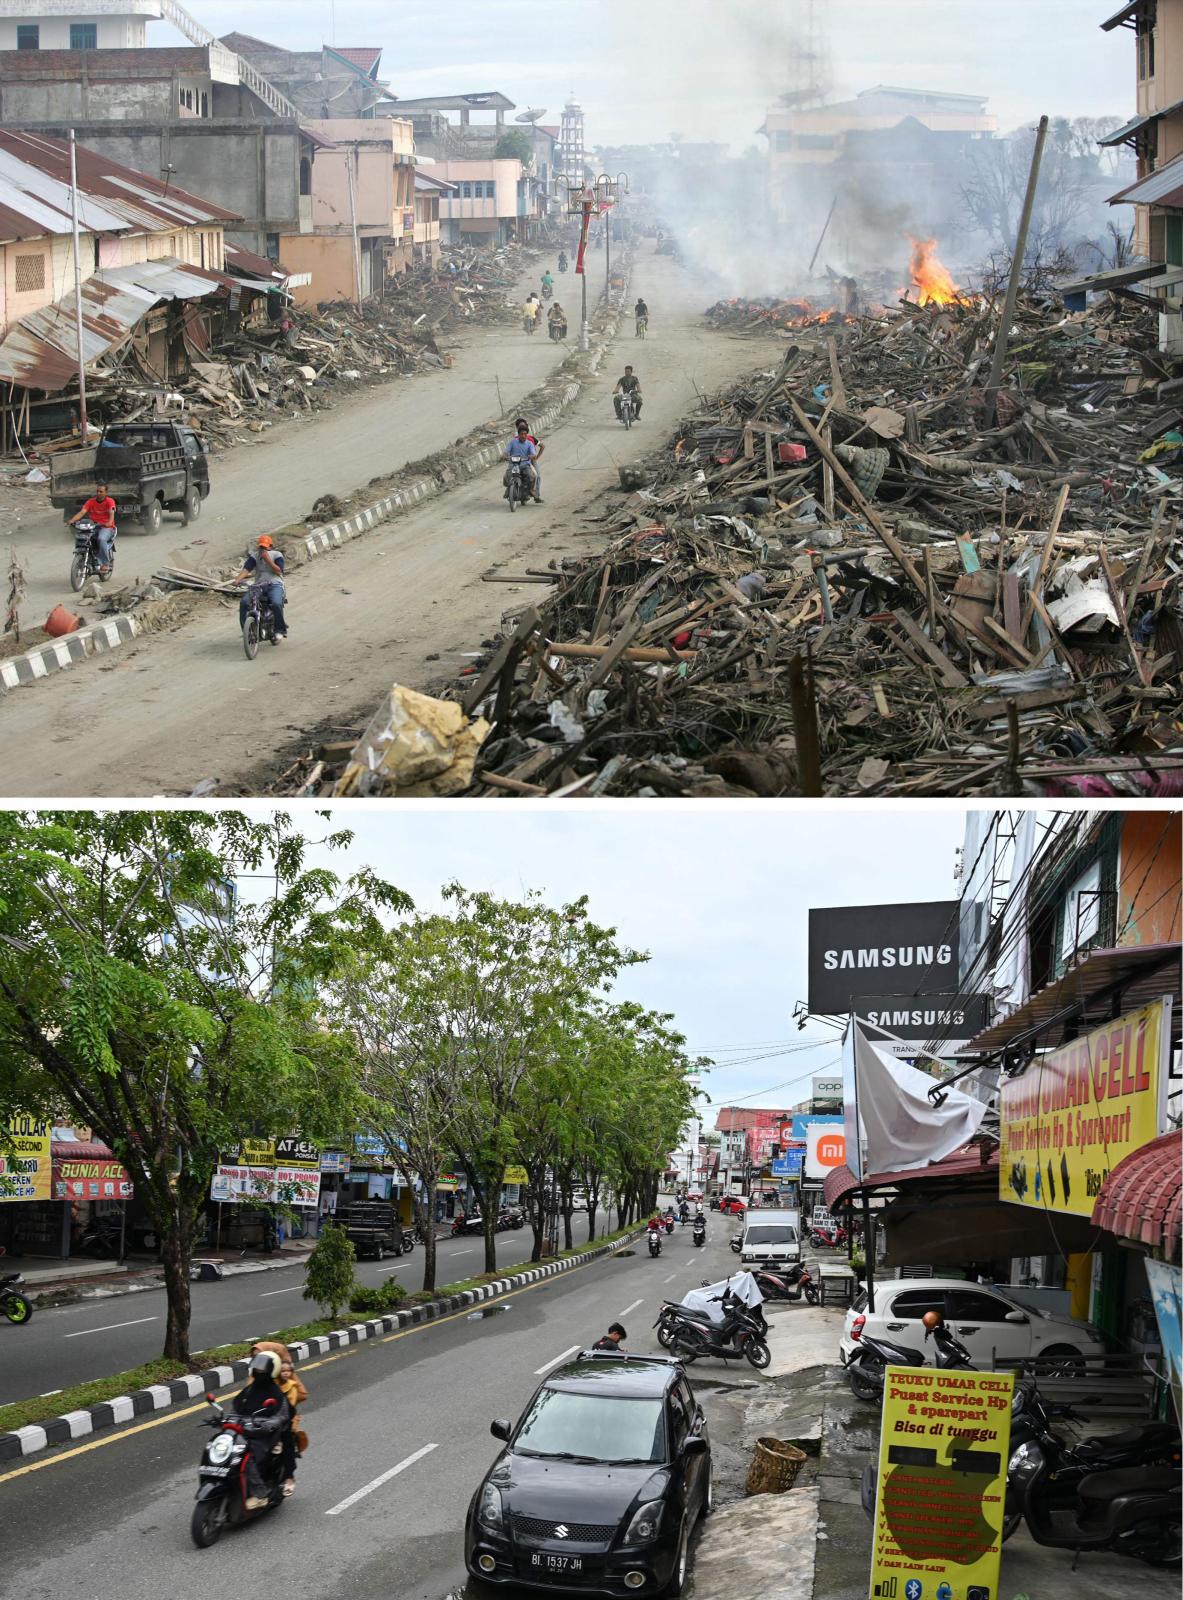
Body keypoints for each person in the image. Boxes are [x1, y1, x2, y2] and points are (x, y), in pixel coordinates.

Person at [232, 1351, 291, 1509]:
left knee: (246, 1455)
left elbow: (281, 1417)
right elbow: (237, 1408)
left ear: (271, 1371)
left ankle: (260, 1494)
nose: (259, 1373)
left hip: (264, 1437)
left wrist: (265, 1424)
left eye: (262, 1371)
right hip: (245, 1432)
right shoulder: (249, 1390)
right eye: (256, 1370)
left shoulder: (277, 1394)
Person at [233, 534, 288, 640]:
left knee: (276, 603)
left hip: (275, 585)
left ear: (270, 546)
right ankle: (247, 631)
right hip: (258, 586)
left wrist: (268, 560)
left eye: (265, 547)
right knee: (244, 603)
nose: (262, 549)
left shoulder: (277, 555)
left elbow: (279, 571)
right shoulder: (255, 556)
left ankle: (279, 629)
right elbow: (246, 569)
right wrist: (238, 579)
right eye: (261, 547)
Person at [68, 482, 117, 575]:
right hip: (93, 526)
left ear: (106, 492)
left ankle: (105, 564)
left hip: (106, 527)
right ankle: (82, 556)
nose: (98, 493)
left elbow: (111, 512)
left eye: (101, 491)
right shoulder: (90, 501)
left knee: (101, 539)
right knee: (81, 537)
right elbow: (82, 512)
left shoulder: (110, 501)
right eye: (97, 491)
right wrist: (72, 520)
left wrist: (109, 522)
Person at [277, 1356, 309, 1497]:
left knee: (287, 1443)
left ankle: (289, 1477)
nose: (285, 1373)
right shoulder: (269, 1384)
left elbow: (289, 1407)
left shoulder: (292, 1386)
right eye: (282, 1370)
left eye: (287, 1371)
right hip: (265, 1421)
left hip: (284, 1421)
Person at [502, 421, 539, 502]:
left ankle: (530, 490)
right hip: (513, 465)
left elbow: (533, 453)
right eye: (521, 434)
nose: (523, 436)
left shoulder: (529, 444)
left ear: (527, 435)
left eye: (525, 434)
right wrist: (505, 456)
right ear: (518, 435)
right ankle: (509, 489)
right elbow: (506, 451)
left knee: (531, 476)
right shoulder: (512, 442)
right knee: (507, 476)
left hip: (525, 465)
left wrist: (531, 456)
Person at [514, 416, 545, 502]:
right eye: (520, 426)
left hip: (530, 460)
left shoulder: (531, 438)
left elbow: (542, 446)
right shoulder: (515, 440)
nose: (522, 427)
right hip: (520, 460)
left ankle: (536, 496)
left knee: (537, 476)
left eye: (524, 425)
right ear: (517, 428)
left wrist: (537, 457)